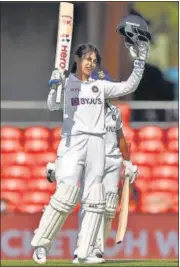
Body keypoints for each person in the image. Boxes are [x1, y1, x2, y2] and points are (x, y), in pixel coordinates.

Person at [31, 42, 149, 264]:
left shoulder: (101, 86)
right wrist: (55, 85)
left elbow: (128, 86)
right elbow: (52, 106)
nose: (91, 64)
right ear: (78, 60)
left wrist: (140, 61)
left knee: (95, 199)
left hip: (96, 144)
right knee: (66, 195)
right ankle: (41, 245)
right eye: (88, 60)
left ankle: (83, 253)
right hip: (73, 141)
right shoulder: (67, 83)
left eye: (94, 61)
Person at [46, 99, 138, 264]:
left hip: (112, 161)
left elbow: (120, 137)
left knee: (109, 208)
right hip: (91, 161)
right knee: (91, 204)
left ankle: (97, 251)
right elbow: (70, 138)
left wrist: (128, 162)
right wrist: (59, 163)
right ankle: (83, 249)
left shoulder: (114, 111)